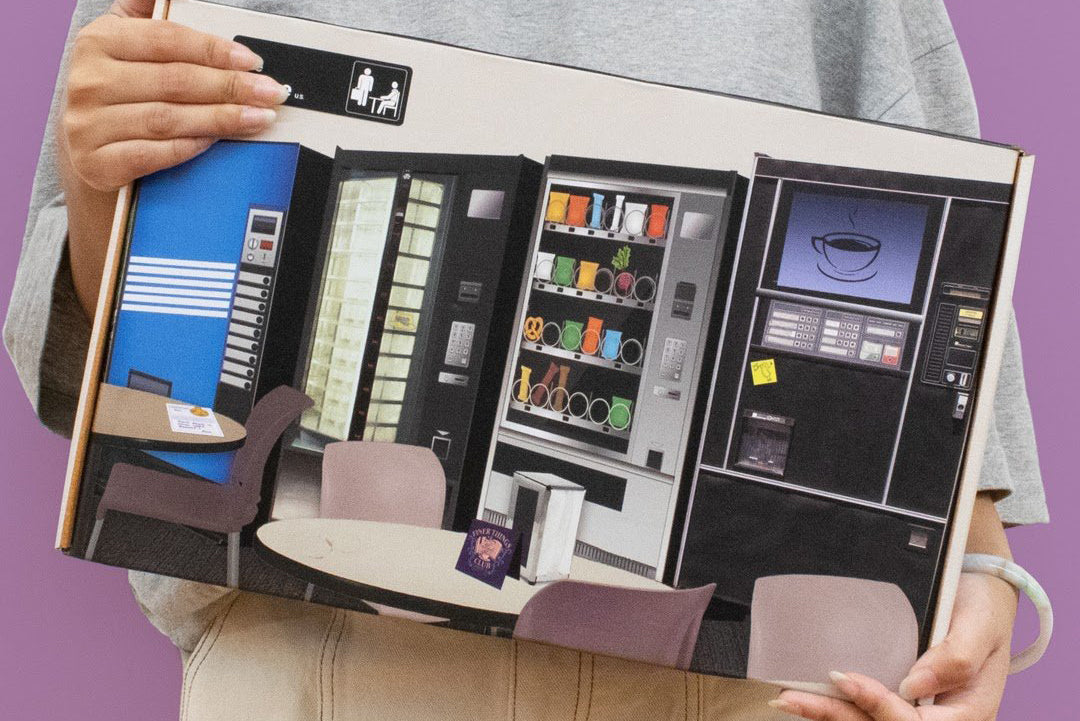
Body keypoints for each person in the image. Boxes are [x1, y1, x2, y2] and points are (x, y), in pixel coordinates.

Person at [6, 0, 1048, 719]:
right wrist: (102, 181)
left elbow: (945, 233)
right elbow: (106, 314)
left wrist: (981, 567)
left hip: (753, 683)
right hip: (326, 666)